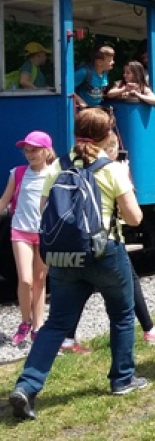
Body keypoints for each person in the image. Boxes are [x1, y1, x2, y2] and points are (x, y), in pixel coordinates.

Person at [9, 108, 147, 421]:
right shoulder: (111, 169)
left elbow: (46, 212)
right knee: (122, 314)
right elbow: (134, 217)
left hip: (64, 258)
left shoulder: (57, 166)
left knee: (57, 323)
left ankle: (27, 386)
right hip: (105, 253)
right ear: (106, 135)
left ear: (76, 133)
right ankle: (122, 379)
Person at [60, 132, 155, 354]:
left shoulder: (63, 166)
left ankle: (66, 339)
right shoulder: (111, 169)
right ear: (111, 149)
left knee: (83, 287)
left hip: (72, 239)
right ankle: (143, 341)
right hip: (105, 240)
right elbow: (134, 218)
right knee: (123, 298)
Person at [0, 131, 56, 345]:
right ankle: (25, 321)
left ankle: (38, 326)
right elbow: (4, 201)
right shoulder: (18, 173)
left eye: (34, 150)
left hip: (44, 234)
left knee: (39, 280)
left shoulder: (54, 174)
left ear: (46, 151)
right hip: (20, 231)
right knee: (25, 279)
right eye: (26, 150)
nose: (29, 154)